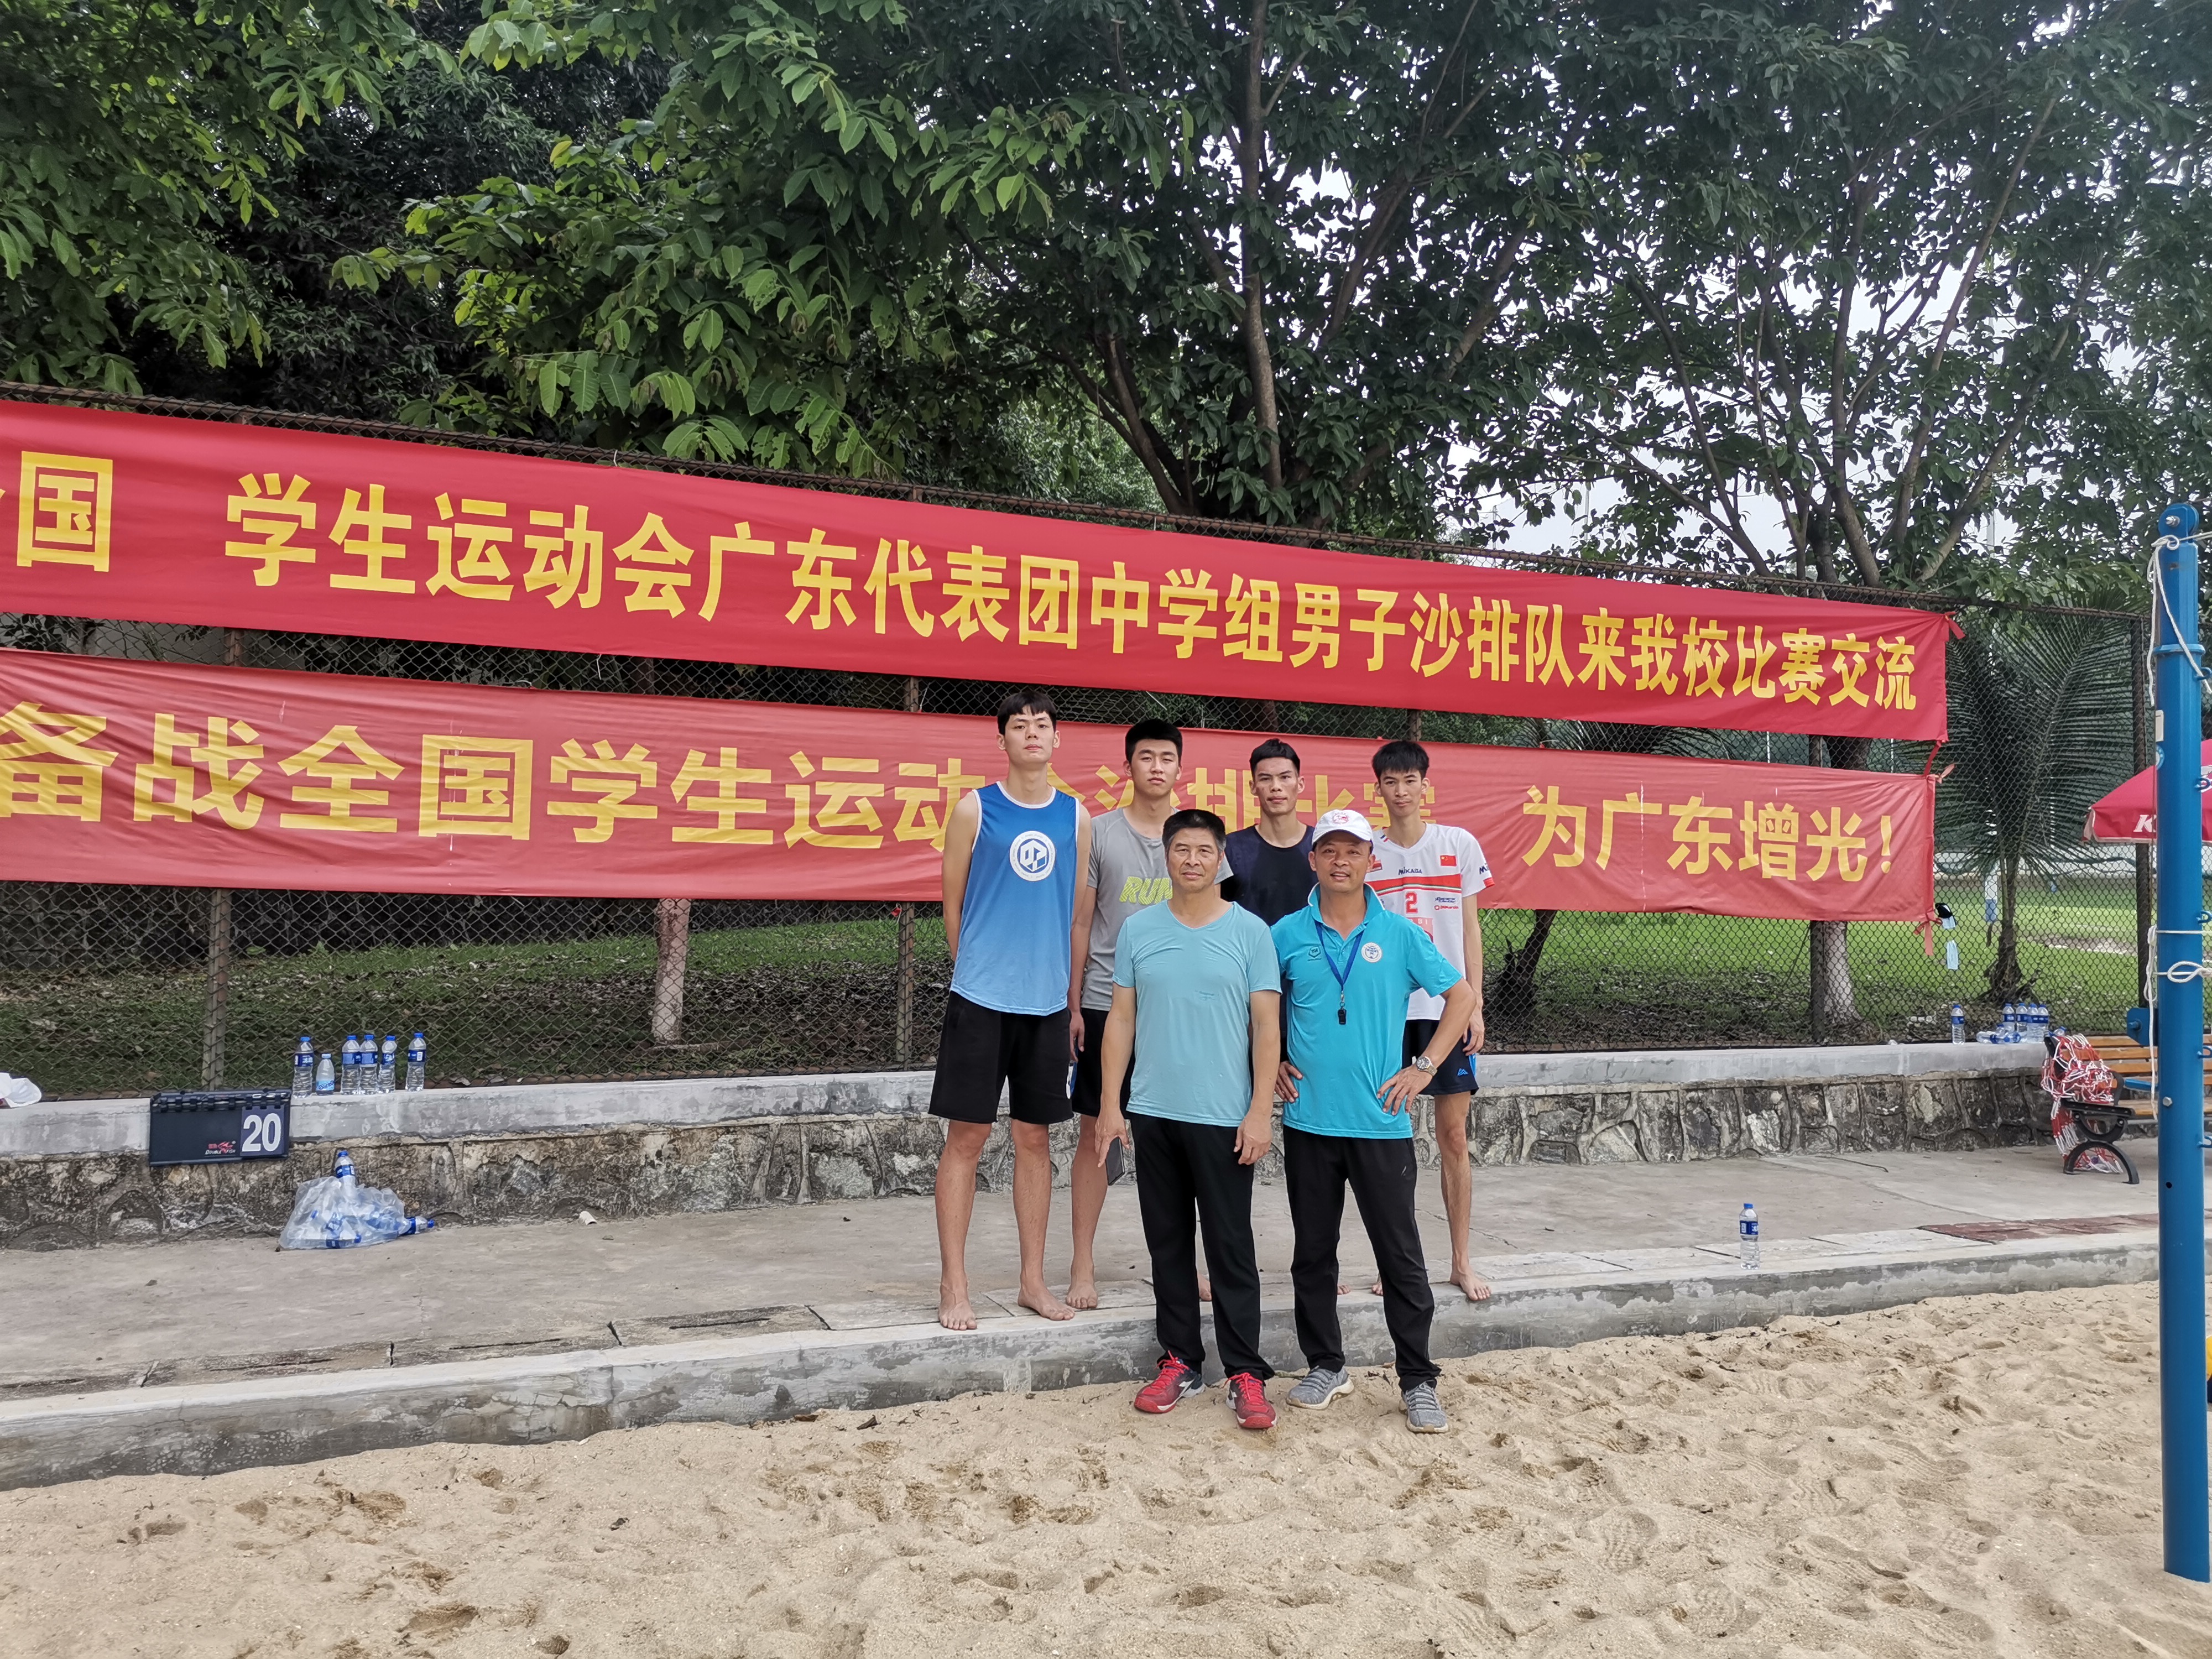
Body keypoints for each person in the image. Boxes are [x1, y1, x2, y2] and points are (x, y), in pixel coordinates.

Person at [1272, 809, 1478, 1434]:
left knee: (1401, 1257)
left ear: (1371, 860)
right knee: (1313, 1255)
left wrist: (1423, 1066)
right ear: (1313, 859)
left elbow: (1461, 997)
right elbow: (1257, 1005)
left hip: (1379, 1122)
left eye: (1353, 851)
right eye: (1329, 851)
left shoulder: (1401, 934)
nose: (1341, 861)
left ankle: (1417, 1379)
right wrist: (1272, 1059)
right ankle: (1326, 1366)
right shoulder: (1285, 933)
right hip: (1309, 1121)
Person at [1094, 809, 1282, 1429]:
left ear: (1220, 858)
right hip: (1153, 1111)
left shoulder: (1250, 932)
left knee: (1230, 1247)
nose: (1192, 860)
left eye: (1204, 850)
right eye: (1181, 849)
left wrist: (1260, 1111)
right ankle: (1179, 1360)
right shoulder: (1139, 930)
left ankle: (1245, 1372)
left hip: (1224, 1116)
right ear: (1166, 856)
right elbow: (1121, 1019)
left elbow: (1266, 1027)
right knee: (1167, 1243)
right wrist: (1110, 1104)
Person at [928, 689, 1091, 1332]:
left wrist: (1071, 1001)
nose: (1031, 734)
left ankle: (1032, 1281)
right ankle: (954, 1283)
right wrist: (973, 973)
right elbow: (952, 905)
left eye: (1041, 725)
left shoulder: (1076, 817)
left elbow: (1076, 916)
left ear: (1056, 739)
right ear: (1001, 740)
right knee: (966, 1138)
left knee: (1035, 1138)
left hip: (1046, 1004)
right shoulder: (975, 808)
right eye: (1019, 725)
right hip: (981, 1000)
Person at [1366, 738, 1493, 1303]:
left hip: (1447, 1013)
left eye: (1409, 780)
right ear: (1378, 789)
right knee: (1386, 1143)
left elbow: (1470, 929)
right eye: (1390, 782)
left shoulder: (1457, 844)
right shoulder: (1366, 853)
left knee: (1453, 1137)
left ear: (1425, 785)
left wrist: (1476, 1003)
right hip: (1388, 1016)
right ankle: (1393, 1262)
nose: (1401, 791)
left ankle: (1461, 1261)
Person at [1066, 719, 1186, 1309]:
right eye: (1146, 757)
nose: (1156, 767)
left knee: (1185, 1138)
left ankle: (1185, 1267)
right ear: (1128, 766)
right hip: (1106, 1002)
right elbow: (1081, 921)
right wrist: (1073, 1004)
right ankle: (1082, 1266)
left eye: (1166, 757)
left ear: (1180, 768)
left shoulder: (1196, 835)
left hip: (1180, 1008)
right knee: (1096, 1132)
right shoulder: (1100, 832)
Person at [1224, 738, 1316, 925]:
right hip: (1247, 944)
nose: (1276, 787)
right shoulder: (1230, 848)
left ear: (1300, 784)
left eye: (1285, 777)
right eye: (1266, 779)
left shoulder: (1321, 846)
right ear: (1253, 787)